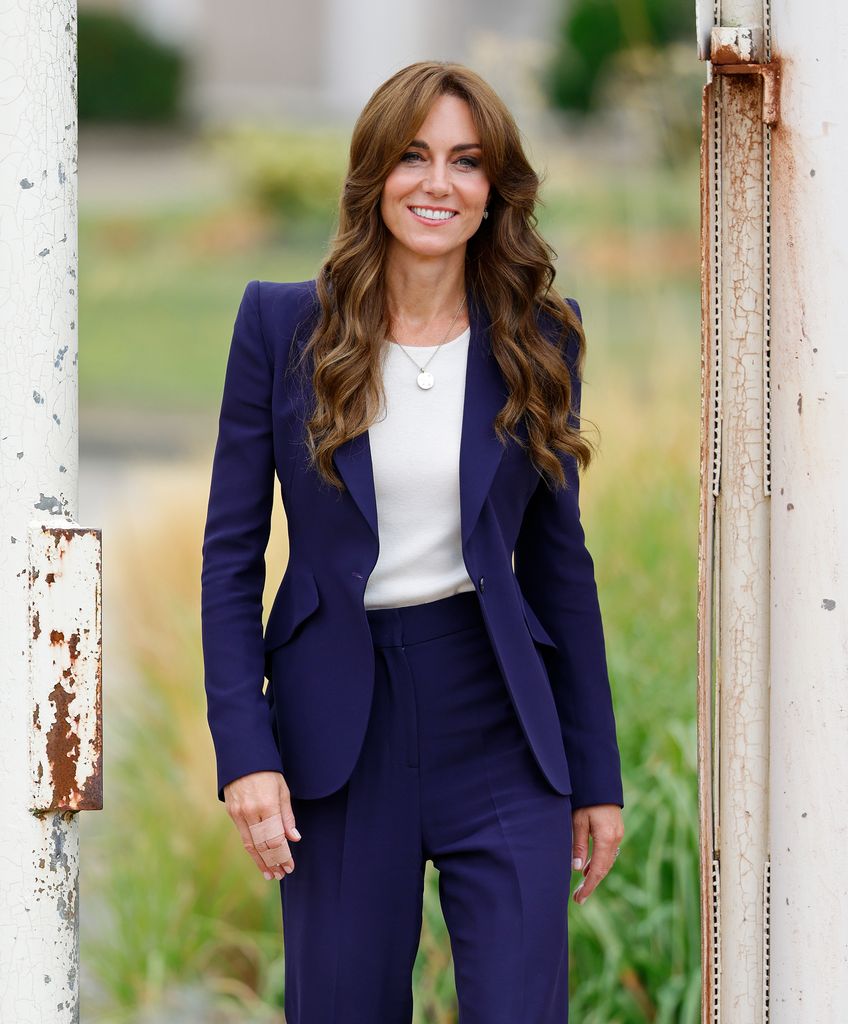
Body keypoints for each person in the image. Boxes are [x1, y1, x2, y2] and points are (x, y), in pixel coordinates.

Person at [200, 59, 625, 1024]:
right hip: (337, 730)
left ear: (494, 192)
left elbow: (561, 566)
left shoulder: (543, 337)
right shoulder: (281, 326)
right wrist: (245, 752)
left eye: (467, 162)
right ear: (374, 175)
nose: (439, 183)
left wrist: (597, 777)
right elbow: (230, 557)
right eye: (414, 156)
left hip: (501, 720)